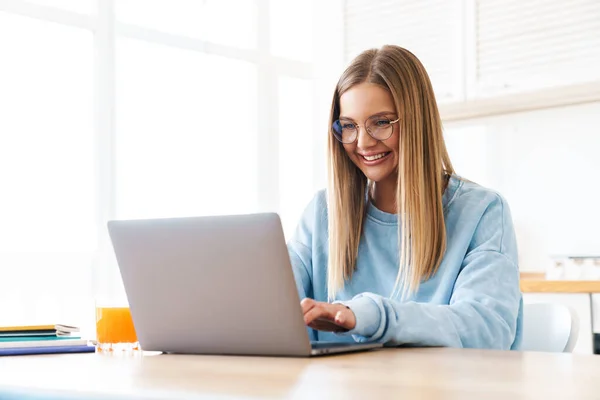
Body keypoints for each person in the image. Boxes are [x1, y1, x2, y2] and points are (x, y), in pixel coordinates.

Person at [287, 45, 522, 349]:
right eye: (349, 126)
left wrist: (372, 316)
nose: (362, 142)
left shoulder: (483, 212)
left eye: (381, 122)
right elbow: (274, 305)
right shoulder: (322, 213)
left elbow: (485, 330)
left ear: (417, 122)